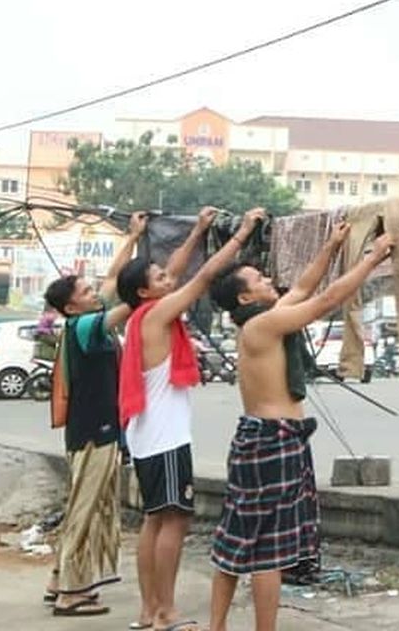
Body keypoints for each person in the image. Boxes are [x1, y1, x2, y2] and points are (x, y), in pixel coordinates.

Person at [206, 225, 393, 631]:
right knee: (266, 551)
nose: (269, 280)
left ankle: (216, 627)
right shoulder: (263, 327)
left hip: (264, 438)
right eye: (259, 279)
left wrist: (332, 245)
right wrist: (373, 258)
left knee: (237, 539)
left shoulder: (262, 320)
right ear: (244, 297)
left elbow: (306, 287)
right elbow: (325, 300)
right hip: (274, 441)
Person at [115, 207, 266, 631]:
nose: (169, 279)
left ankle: (149, 610)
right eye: (160, 279)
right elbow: (200, 280)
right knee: (174, 521)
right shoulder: (158, 315)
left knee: (155, 518)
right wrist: (242, 234)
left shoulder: (142, 313)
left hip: (147, 434)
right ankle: (166, 612)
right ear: (146, 292)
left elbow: (179, 271)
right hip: (164, 437)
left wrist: (199, 231)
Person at [42, 211, 147, 617]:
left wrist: (133, 237)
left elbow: (110, 281)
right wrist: (148, 289)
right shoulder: (85, 326)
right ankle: (71, 592)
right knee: (86, 509)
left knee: (82, 505)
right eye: (86, 291)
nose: (95, 292)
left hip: (93, 430)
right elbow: (123, 303)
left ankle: (58, 578)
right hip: (93, 432)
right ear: (72, 305)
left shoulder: (78, 322)